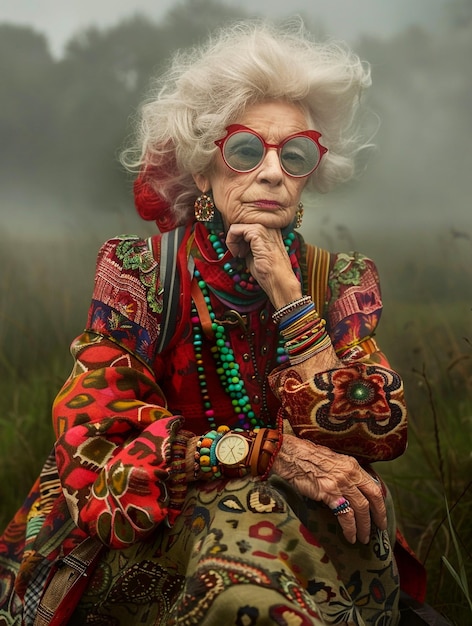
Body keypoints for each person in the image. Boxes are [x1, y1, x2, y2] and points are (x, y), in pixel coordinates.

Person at [0, 19, 423, 626]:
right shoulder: (140, 275)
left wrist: (289, 297)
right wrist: (264, 454)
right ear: (203, 168)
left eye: (295, 154)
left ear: (310, 176)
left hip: (310, 529)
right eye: (247, 150)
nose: (273, 172)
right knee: (243, 523)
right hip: (158, 531)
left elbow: (376, 433)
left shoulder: (339, 279)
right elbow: (93, 449)